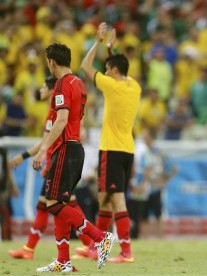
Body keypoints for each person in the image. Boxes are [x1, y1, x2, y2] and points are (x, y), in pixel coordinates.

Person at [32, 43, 115, 272]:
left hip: (66, 149)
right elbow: (80, 118)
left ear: (51, 62)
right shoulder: (79, 83)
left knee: (52, 203)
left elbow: (61, 120)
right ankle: (63, 260)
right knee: (60, 202)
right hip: (75, 147)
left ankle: (100, 238)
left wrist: (42, 150)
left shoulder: (61, 85)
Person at [7, 76, 93, 260]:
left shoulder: (54, 113)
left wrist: (23, 156)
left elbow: (45, 142)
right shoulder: (57, 110)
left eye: (44, 88)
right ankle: (82, 248)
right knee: (51, 205)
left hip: (59, 162)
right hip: (61, 160)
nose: (40, 91)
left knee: (56, 205)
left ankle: (95, 241)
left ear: (52, 89)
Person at [80, 22, 141, 263]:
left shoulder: (111, 86)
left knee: (116, 199)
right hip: (127, 149)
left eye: (107, 69)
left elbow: (85, 66)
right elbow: (118, 68)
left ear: (114, 70)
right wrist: (110, 50)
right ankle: (97, 247)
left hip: (112, 149)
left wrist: (97, 41)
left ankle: (126, 251)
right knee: (104, 198)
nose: (104, 73)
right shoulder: (133, 86)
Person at [0, 147, 18, 241]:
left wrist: (13, 186)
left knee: (6, 214)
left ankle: (6, 238)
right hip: (3, 189)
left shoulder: (3, 151)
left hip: (3, 189)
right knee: (5, 214)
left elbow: (7, 170)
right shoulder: (3, 151)